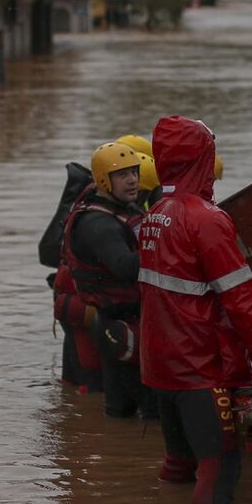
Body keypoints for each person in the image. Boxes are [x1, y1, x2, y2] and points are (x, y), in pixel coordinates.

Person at [138, 115, 252, 504]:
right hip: (200, 370)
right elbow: (243, 305)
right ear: (203, 158)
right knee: (218, 469)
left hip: (160, 367)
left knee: (178, 464)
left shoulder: (154, 213)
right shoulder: (207, 220)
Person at [62, 142, 151, 419]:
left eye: (134, 172)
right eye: (122, 174)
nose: (133, 180)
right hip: (117, 327)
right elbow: (124, 267)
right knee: (147, 413)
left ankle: (117, 457)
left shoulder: (117, 208)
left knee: (120, 419)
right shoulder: (98, 224)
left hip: (118, 324)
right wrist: (162, 242)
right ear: (103, 180)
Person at [42, 153, 101, 391]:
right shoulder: (96, 216)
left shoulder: (86, 206)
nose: (131, 179)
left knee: (75, 380)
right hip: (79, 304)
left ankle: (73, 416)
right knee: (90, 380)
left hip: (70, 300)